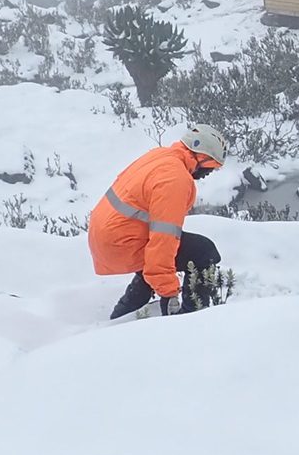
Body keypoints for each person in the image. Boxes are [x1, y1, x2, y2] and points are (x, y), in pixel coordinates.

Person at [88, 123, 228, 319]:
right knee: (203, 252)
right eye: (212, 166)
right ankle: (194, 317)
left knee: (154, 258)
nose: (210, 172)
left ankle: (120, 316)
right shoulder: (176, 179)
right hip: (121, 243)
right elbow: (164, 241)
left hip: (108, 235)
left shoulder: (161, 156)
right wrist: (169, 294)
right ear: (200, 156)